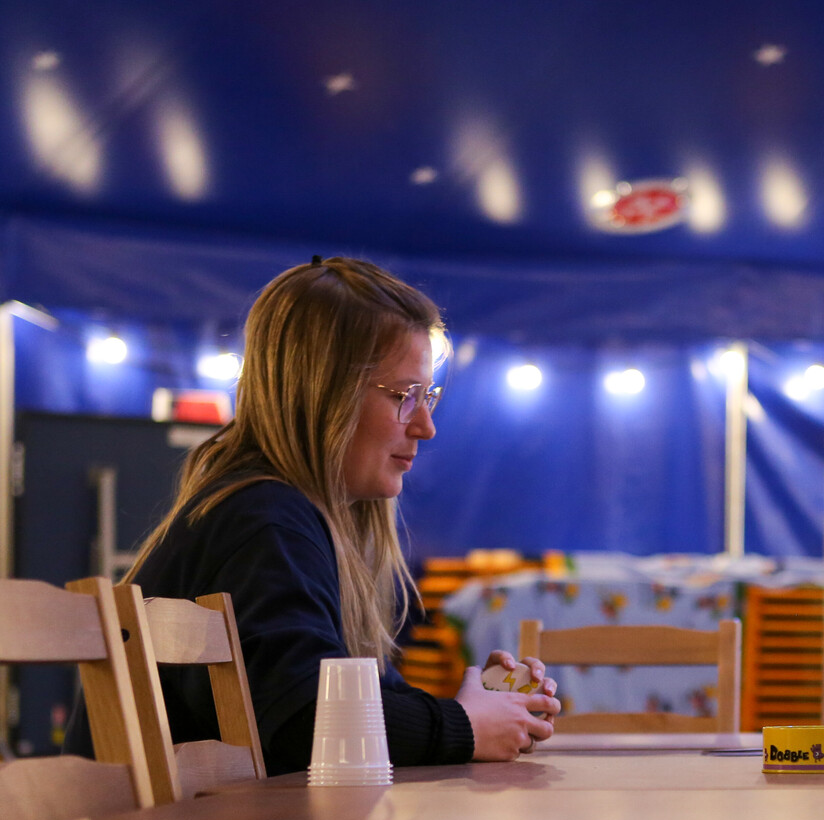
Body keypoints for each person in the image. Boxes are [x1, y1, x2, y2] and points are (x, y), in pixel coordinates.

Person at [64, 256, 557, 773]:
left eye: (427, 396)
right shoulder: (266, 518)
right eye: (406, 397)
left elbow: (333, 697)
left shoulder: (272, 511)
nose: (426, 427)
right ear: (326, 395)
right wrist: (462, 725)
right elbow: (307, 721)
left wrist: (479, 710)